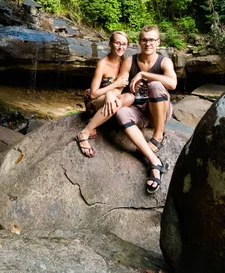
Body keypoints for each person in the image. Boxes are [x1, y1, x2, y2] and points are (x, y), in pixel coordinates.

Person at [114, 25, 177, 193]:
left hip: (159, 111)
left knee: (156, 85)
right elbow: (120, 85)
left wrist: (144, 74)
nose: (148, 43)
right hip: (139, 112)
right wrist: (106, 96)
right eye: (144, 40)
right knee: (120, 113)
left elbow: (172, 83)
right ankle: (155, 161)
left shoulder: (164, 61)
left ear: (158, 42)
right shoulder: (130, 61)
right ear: (139, 42)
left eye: (152, 40)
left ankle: (158, 136)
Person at [76, 31, 135, 157]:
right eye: (117, 43)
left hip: (111, 97)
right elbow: (93, 93)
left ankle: (98, 119)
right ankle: (84, 133)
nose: (120, 47)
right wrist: (111, 88)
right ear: (110, 43)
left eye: (124, 44)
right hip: (95, 100)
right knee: (116, 101)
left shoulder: (125, 63)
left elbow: (120, 89)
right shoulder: (102, 64)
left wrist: (111, 94)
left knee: (130, 98)